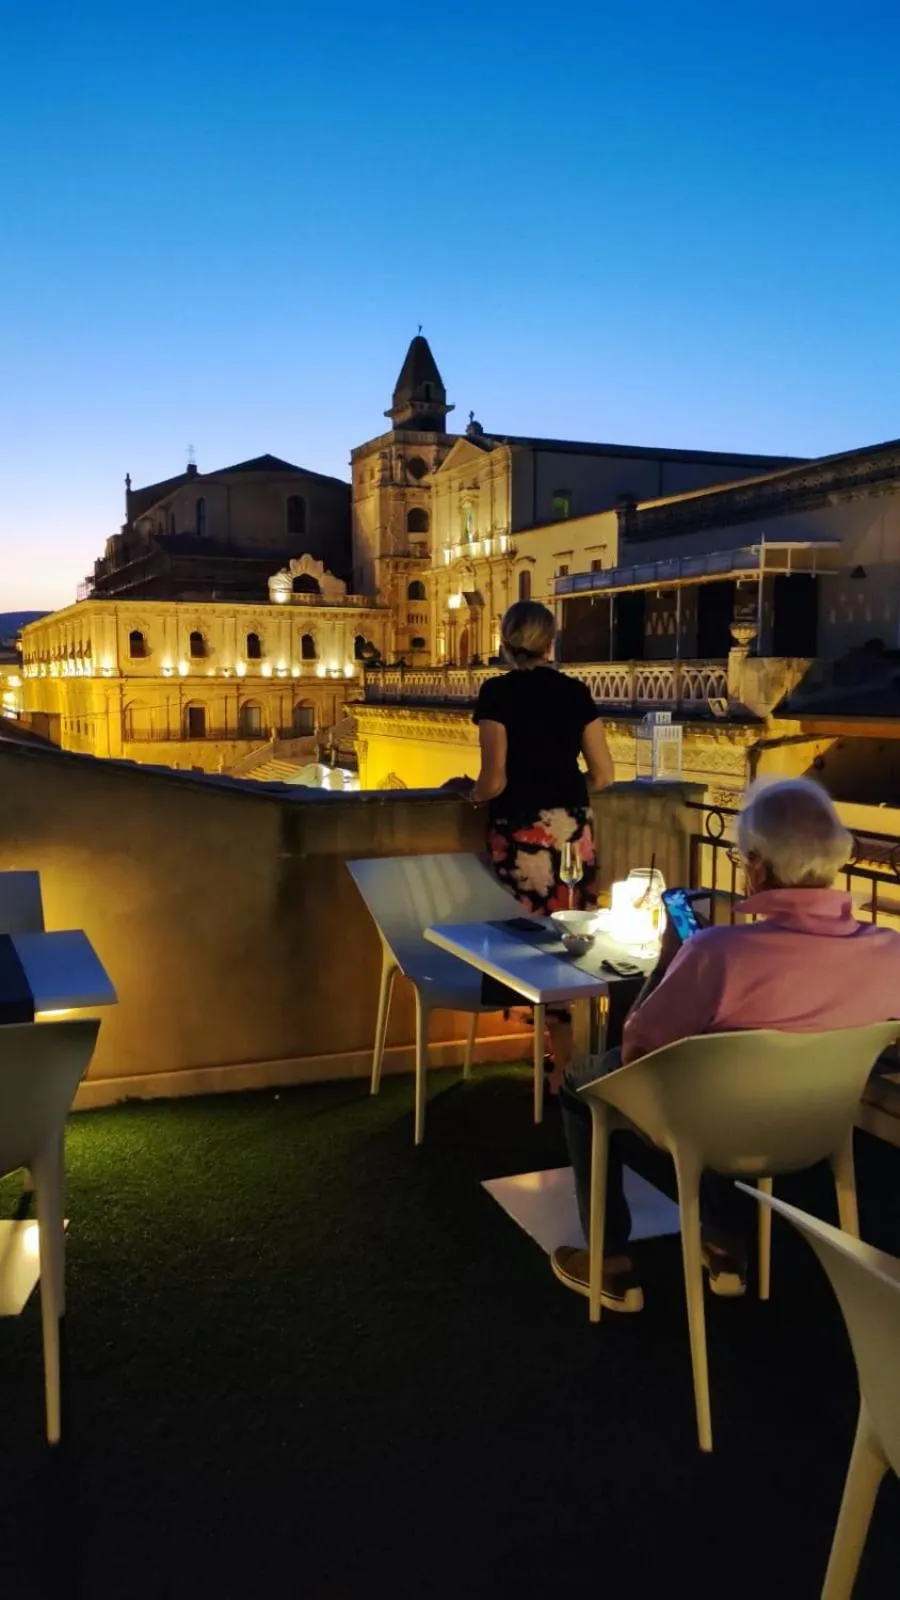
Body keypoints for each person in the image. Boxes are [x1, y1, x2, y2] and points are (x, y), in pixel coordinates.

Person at [553, 777, 900, 1312]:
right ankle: (721, 1244)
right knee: (719, 1070)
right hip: (817, 1128)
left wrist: (670, 960)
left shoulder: (719, 953)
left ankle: (610, 1260)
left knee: (584, 1082)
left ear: (757, 866)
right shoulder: (889, 952)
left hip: (712, 1127)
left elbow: (639, 1048)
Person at [472, 601, 614, 1090]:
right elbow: (604, 773)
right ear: (550, 642)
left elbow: (492, 780)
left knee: (532, 942)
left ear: (506, 641)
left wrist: (467, 794)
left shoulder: (497, 693)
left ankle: (556, 1060)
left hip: (521, 828)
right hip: (572, 827)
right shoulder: (576, 693)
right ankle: (566, 1061)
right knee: (571, 937)